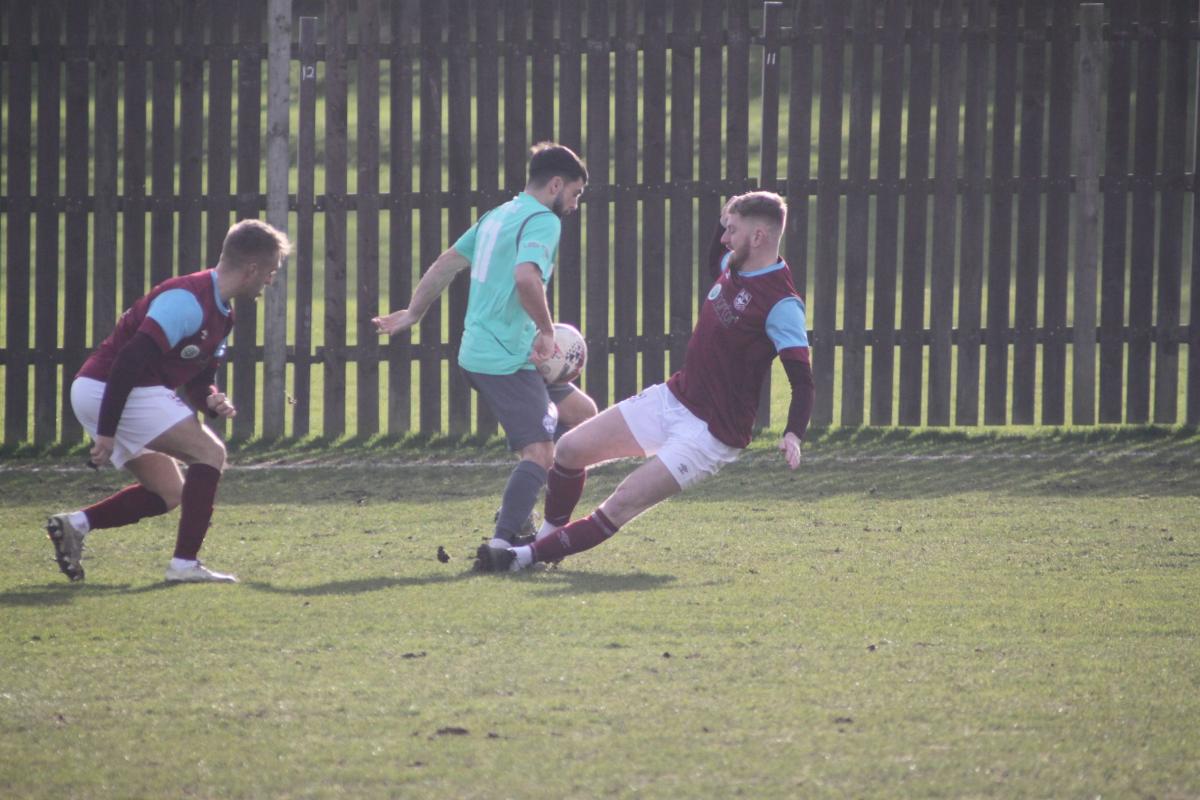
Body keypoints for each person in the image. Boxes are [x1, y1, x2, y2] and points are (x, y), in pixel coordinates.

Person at [474, 190, 815, 573]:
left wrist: (793, 433)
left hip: (710, 434)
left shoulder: (781, 303)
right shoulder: (734, 266)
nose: (724, 238)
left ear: (759, 237)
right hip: (674, 398)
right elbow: (713, 261)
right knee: (568, 449)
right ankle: (547, 542)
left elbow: (802, 381)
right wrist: (722, 220)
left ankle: (521, 558)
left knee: (621, 502)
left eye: (732, 230)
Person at [373, 142, 598, 551]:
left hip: (494, 352)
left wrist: (413, 313)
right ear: (555, 185)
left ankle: (524, 508)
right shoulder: (543, 221)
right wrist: (547, 331)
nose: (575, 204)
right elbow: (526, 278)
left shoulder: (498, 215)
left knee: (582, 416)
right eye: (575, 193)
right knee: (540, 451)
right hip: (504, 359)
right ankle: (502, 543)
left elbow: (446, 263)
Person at [45, 219, 292, 583]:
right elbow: (129, 361)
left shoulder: (223, 314)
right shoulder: (186, 300)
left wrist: (212, 401)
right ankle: (184, 565)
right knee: (210, 453)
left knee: (169, 492)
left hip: (109, 390)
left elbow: (199, 382)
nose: (270, 281)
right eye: (270, 272)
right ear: (252, 269)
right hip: (110, 387)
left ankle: (75, 524)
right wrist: (106, 433)